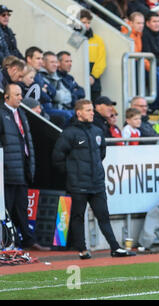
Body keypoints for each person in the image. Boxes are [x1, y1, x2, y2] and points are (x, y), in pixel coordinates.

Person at [52, 99, 136, 258]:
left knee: (103, 215)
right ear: (79, 113)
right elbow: (57, 157)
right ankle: (82, 250)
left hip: (96, 182)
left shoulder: (97, 131)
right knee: (78, 216)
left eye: (92, 110)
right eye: (88, 110)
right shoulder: (69, 133)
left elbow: (101, 154)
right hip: (78, 184)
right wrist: (72, 172)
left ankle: (115, 248)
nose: (92, 113)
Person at [0, 84, 50, 251]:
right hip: (7, 172)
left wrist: (30, 166)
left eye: (21, 94)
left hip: (22, 169)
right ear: (6, 97)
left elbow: (26, 142)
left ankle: (28, 240)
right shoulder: (1, 114)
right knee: (6, 209)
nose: (21, 98)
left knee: (22, 208)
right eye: (17, 95)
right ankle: (7, 241)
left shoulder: (21, 113)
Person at [78, 9, 106, 102]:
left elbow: (101, 61)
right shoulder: (73, 37)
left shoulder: (98, 40)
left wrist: (93, 76)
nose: (86, 25)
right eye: (83, 22)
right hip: (78, 75)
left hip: (94, 78)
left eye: (88, 23)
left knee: (95, 104)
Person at [39, 51, 74, 122]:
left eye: (56, 62)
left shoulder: (57, 77)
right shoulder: (39, 77)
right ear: (43, 63)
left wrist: (55, 94)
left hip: (59, 108)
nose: (55, 65)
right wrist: (57, 95)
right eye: (52, 62)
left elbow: (69, 96)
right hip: (46, 109)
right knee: (68, 115)